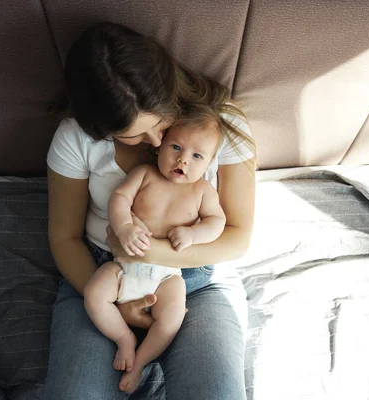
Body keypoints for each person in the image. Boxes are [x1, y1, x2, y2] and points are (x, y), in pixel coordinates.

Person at [44, 21, 256, 400]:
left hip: (196, 280)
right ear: (102, 129)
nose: (157, 143)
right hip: (98, 272)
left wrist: (153, 252)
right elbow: (64, 237)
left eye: (161, 123)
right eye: (135, 136)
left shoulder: (219, 125)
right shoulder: (75, 137)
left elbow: (237, 235)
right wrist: (113, 299)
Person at [83, 109, 227, 393]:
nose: (183, 159)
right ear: (159, 145)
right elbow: (120, 197)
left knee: (173, 316)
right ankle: (124, 338)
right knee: (94, 294)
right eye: (176, 147)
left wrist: (194, 233)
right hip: (124, 265)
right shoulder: (144, 173)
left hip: (166, 275)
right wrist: (124, 227)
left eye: (197, 156)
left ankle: (141, 361)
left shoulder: (203, 190)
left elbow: (217, 222)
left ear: (210, 163)